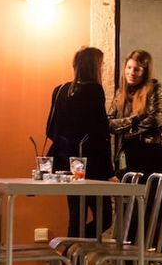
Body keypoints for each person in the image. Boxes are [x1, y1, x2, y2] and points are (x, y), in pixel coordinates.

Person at [45, 46, 116, 237]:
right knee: (105, 218)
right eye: (101, 64)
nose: (103, 68)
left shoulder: (60, 90)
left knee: (76, 217)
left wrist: (68, 144)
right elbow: (101, 134)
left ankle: (71, 251)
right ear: (94, 67)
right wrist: (109, 172)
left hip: (66, 163)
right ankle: (69, 247)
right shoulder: (94, 90)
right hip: (91, 166)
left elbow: (50, 130)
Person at [109, 50, 162, 178]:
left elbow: (155, 119)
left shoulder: (153, 88)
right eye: (129, 67)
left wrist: (125, 129)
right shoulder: (120, 93)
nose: (131, 72)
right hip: (128, 155)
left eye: (136, 69)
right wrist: (134, 120)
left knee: (151, 191)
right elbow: (108, 122)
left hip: (151, 154)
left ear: (145, 72)